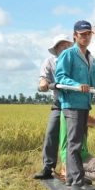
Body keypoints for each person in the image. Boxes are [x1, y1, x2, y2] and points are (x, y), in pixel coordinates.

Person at [55, 20, 95, 190]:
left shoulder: (91, 59)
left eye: (88, 34)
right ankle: (78, 181)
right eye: (82, 34)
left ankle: (71, 179)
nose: (85, 37)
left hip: (85, 104)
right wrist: (77, 85)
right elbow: (60, 77)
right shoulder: (68, 54)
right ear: (75, 36)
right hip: (72, 104)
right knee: (74, 143)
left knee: (76, 142)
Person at [32, 34, 73, 180]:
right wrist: (43, 82)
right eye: (63, 45)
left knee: (75, 137)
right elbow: (44, 77)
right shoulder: (49, 62)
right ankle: (48, 167)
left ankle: (74, 170)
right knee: (51, 133)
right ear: (56, 48)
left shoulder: (76, 60)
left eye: (69, 44)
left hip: (75, 103)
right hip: (59, 103)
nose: (66, 47)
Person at [56, 112, 95, 185]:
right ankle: (71, 174)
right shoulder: (76, 113)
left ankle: (70, 171)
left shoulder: (65, 112)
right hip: (79, 154)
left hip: (67, 154)